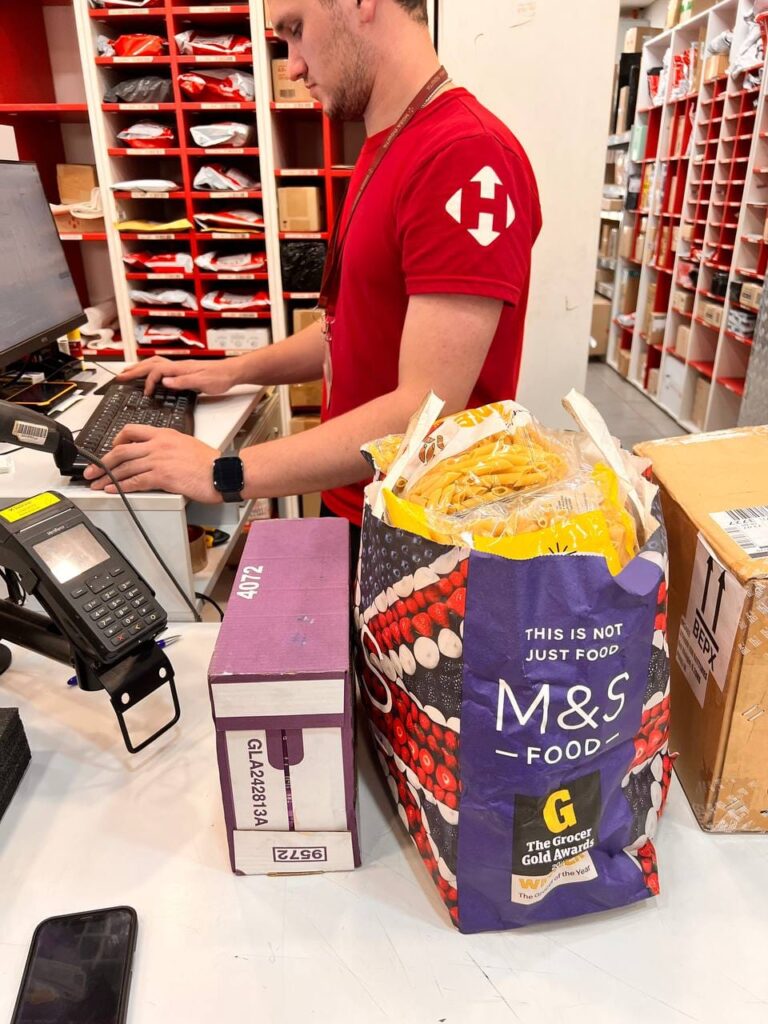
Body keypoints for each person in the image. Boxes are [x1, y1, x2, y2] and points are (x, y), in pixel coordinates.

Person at [85, 0, 542, 548]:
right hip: (360, 500)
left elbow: (423, 410)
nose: (294, 65)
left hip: (415, 533)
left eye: (297, 29)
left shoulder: (464, 157)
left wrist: (221, 472)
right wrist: (229, 371)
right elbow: (349, 327)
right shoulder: (390, 142)